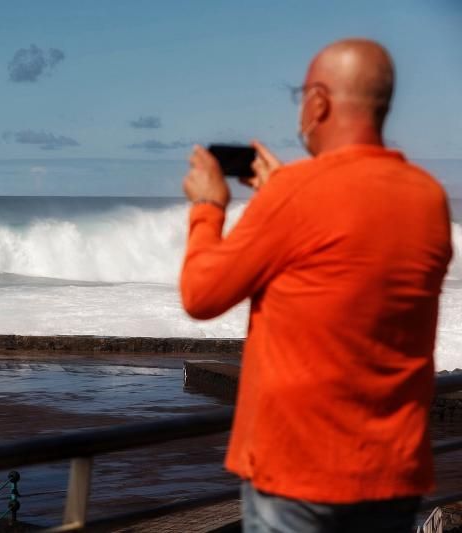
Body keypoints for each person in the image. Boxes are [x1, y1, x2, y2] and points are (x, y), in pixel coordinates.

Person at [179, 38, 452, 533]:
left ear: (320, 101)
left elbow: (201, 294)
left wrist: (208, 206)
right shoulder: (429, 198)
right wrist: (281, 194)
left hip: (298, 478)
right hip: (392, 474)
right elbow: (345, 258)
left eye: (300, 95)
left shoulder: (294, 196)